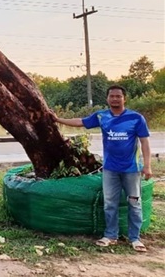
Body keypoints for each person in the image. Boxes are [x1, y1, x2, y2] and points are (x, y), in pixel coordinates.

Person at [54, 84, 151, 253]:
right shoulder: (102, 116)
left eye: (118, 96)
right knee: (109, 204)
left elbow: (144, 142)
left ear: (124, 98)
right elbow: (81, 122)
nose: (115, 99)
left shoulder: (136, 118)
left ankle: (135, 238)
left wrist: (148, 166)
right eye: (112, 96)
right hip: (110, 170)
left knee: (134, 203)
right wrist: (58, 119)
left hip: (131, 170)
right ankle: (110, 236)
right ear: (107, 99)